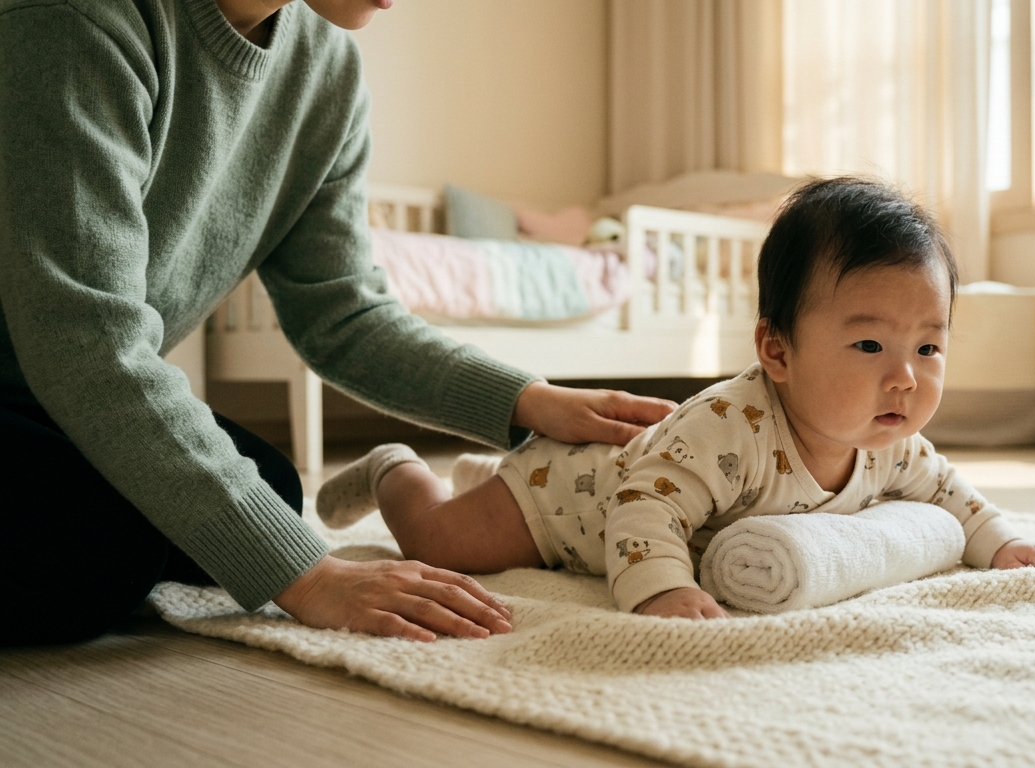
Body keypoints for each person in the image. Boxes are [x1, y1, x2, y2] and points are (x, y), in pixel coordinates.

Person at [0, 0, 674, 647]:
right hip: (38, 383)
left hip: (49, 400)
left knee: (271, 489)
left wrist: (532, 401)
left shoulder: (328, 68)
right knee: (104, 556)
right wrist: (309, 576)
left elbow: (344, 313)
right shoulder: (74, 22)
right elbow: (85, 341)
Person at [318, 177, 1035, 621]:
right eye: (871, 346)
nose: (905, 377)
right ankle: (395, 467)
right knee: (442, 543)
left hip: (612, 480)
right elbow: (646, 506)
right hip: (569, 497)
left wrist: (1001, 542)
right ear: (777, 350)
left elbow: (951, 494)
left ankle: (480, 473)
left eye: (929, 348)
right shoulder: (730, 427)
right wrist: (661, 587)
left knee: (472, 513)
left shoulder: (894, 437)